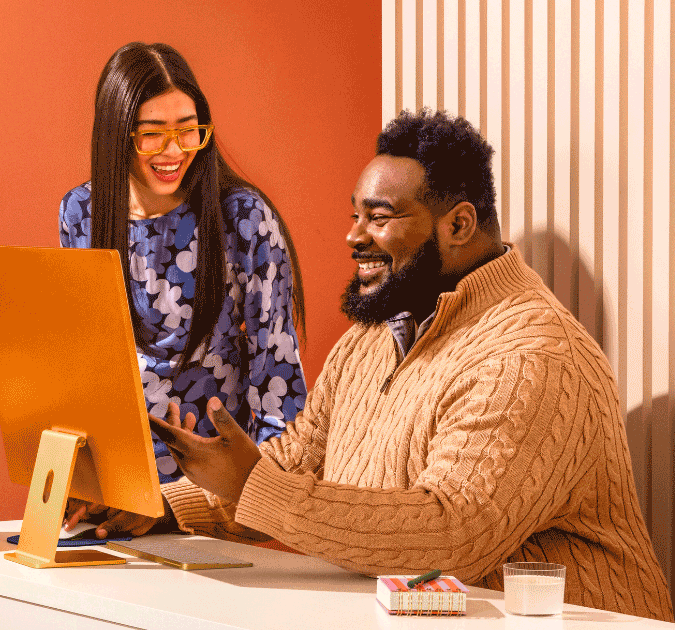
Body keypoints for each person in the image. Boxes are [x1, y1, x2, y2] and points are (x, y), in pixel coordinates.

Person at [149, 109, 674, 621]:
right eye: (354, 215)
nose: (354, 237)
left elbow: (451, 536)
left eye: (378, 218)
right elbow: (295, 459)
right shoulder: (373, 337)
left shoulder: (531, 356)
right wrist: (161, 508)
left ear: (459, 224)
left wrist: (253, 487)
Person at [59, 42, 307, 537]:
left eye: (188, 130)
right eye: (153, 135)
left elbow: (278, 382)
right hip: (117, 492)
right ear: (116, 138)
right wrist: (82, 477)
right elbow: (88, 361)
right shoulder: (79, 212)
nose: (175, 152)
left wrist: (271, 507)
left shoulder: (245, 219)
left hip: (214, 502)